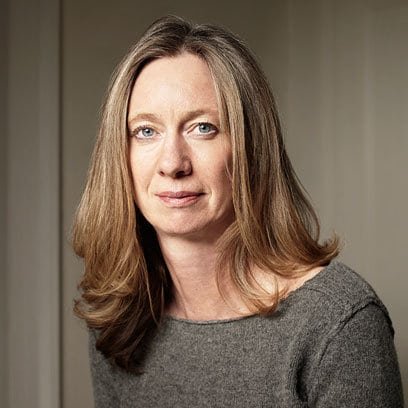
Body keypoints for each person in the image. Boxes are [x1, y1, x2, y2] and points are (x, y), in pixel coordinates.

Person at [72, 15, 404, 407]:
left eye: (203, 128)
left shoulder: (337, 323)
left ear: (250, 148)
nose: (172, 163)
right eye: (146, 131)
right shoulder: (118, 321)